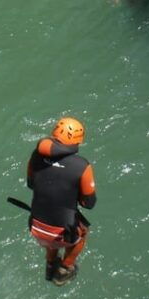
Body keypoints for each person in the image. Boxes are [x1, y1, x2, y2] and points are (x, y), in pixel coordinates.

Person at [27, 117, 96, 286]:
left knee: (51, 235)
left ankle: (50, 264)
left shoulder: (36, 155)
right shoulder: (82, 166)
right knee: (83, 232)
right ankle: (65, 268)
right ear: (78, 141)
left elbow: (31, 184)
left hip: (36, 226)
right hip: (63, 232)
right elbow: (89, 203)